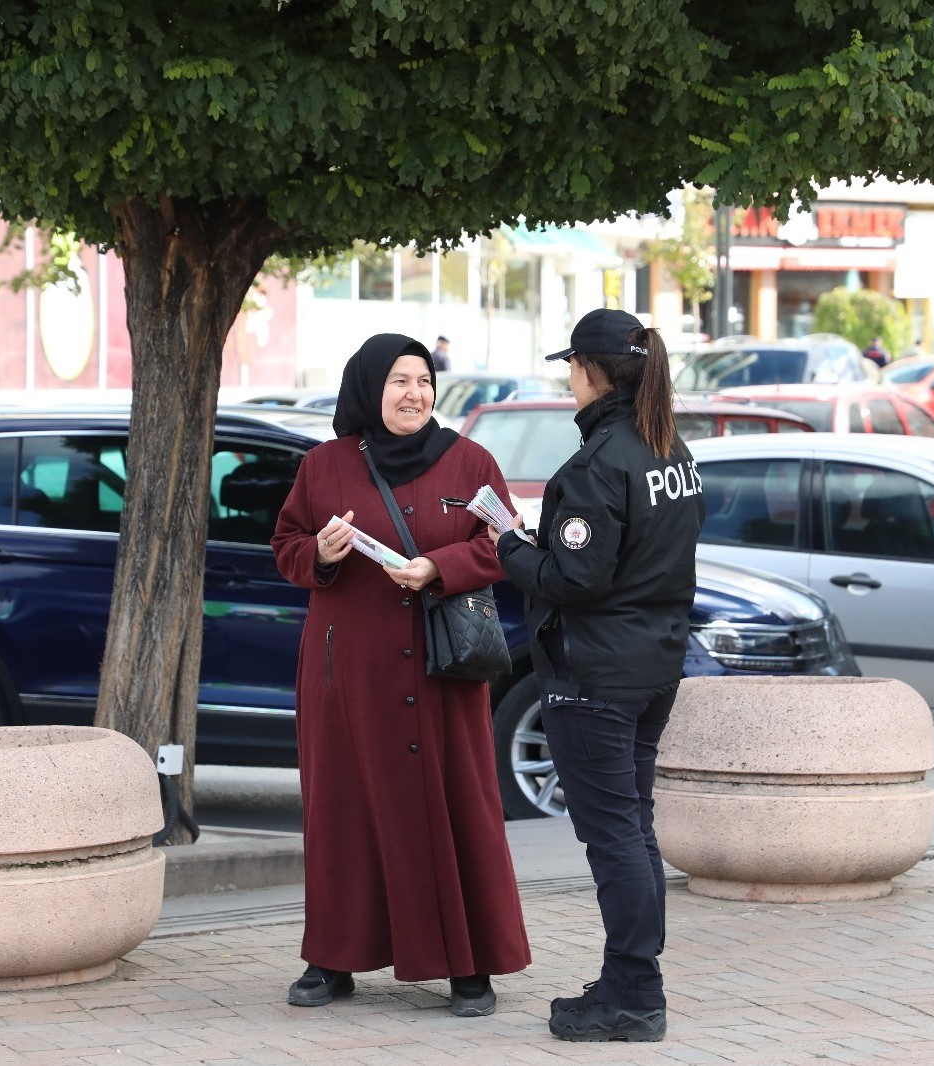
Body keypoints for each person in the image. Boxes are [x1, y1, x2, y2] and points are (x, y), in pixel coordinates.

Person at [271, 332, 530, 1018]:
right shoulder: (325, 465)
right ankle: (331, 960)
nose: (414, 393)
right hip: (346, 674)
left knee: (455, 807)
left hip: (442, 669)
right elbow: (285, 545)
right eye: (397, 381)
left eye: (422, 380)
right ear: (366, 389)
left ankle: (467, 966)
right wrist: (319, 552)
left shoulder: (469, 461)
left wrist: (438, 569)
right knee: (344, 814)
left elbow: (502, 544)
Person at [489, 308, 703, 1044]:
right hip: (652, 664)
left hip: (595, 673)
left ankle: (633, 993)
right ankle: (630, 981)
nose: (567, 380)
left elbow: (573, 580)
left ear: (590, 371)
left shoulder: (598, 462)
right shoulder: (667, 447)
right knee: (632, 827)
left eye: (570, 367)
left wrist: (507, 547)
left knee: (614, 835)